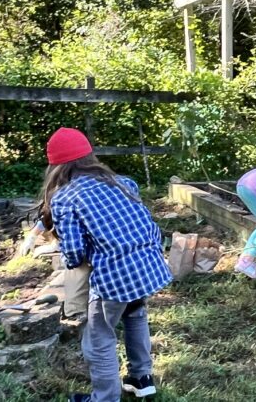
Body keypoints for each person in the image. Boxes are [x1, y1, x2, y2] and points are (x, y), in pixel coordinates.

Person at [41, 127, 171, 402]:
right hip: (147, 266)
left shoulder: (65, 198)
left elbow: (74, 252)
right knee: (135, 315)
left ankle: (105, 398)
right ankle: (141, 378)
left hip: (115, 277)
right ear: (90, 156)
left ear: (56, 167)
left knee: (98, 339)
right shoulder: (123, 182)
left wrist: (71, 264)